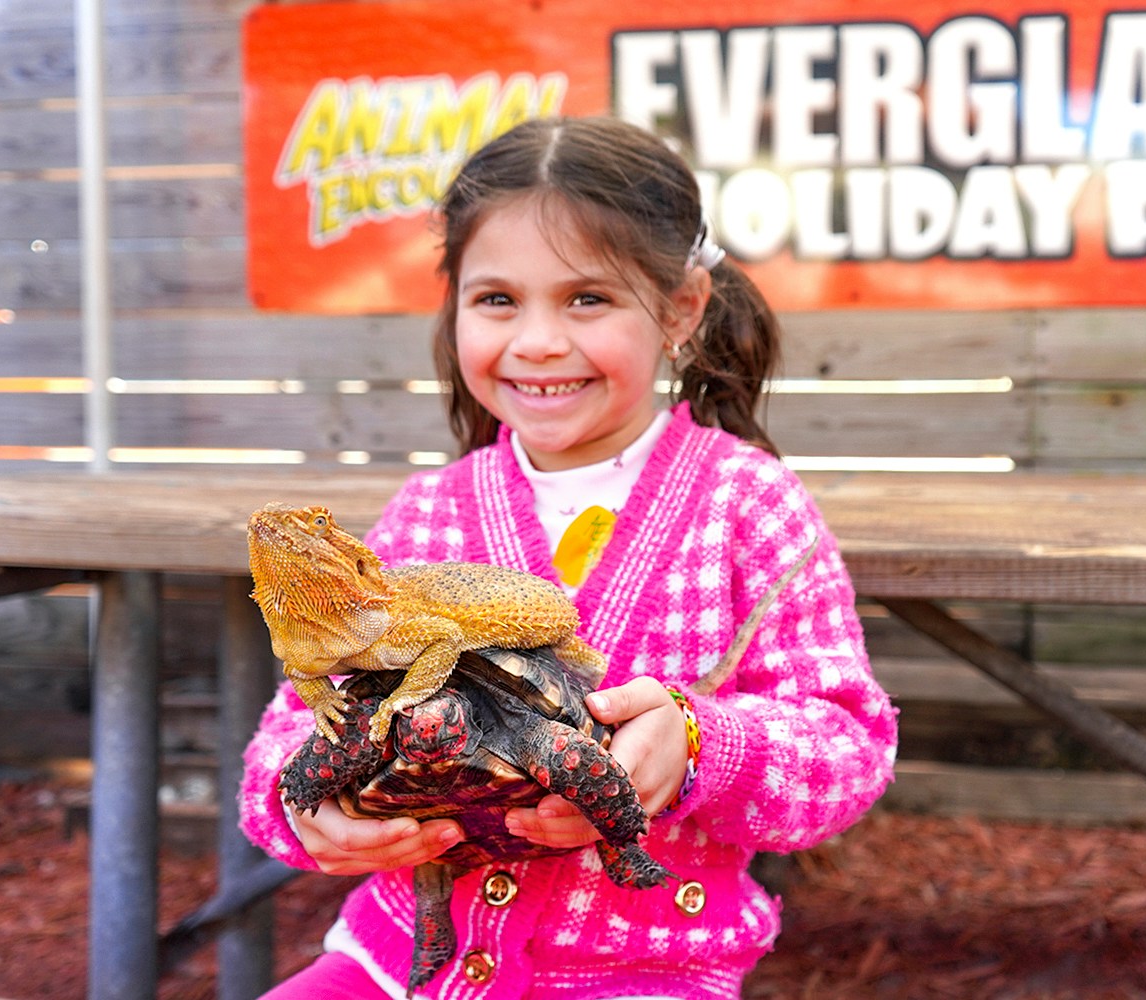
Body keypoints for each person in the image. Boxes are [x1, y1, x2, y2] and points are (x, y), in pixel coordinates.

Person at [238, 114, 898, 1000]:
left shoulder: (749, 508)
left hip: (645, 974)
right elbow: (292, 727)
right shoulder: (424, 515)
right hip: (395, 961)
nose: (539, 340)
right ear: (456, 307)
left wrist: (704, 741)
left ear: (680, 310)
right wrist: (306, 809)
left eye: (587, 298)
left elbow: (847, 750)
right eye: (498, 299)